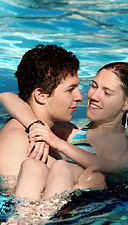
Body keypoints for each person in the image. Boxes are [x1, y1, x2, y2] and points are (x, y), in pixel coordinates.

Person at [0, 44, 106, 202]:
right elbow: (22, 207)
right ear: (41, 95)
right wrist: (84, 186)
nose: (79, 97)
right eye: (70, 89)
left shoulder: (53, 127)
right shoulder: (19, 142)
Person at [26, 62, 128, 176]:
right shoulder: (70, 133)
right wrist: (33, 124)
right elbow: (9, 98)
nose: (94, 96)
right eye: (94, 86)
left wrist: (59, 144)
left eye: (107, 93)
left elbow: (118, 169)